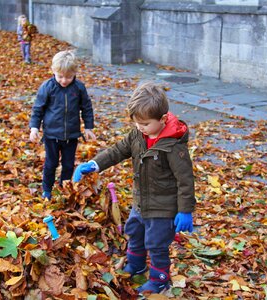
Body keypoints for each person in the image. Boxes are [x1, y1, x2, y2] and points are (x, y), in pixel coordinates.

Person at [73, 82, 195, 294]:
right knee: (135, 233)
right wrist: (95, 164)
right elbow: (117, 151)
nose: (140, 127)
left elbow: (185, 180)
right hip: (141, 202)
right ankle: (136, 265)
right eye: (137, 123)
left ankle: (159, 279)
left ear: (163, 119)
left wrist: (185, 210)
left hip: (163, 208)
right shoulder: (138, 135)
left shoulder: (173, 148)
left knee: (156, 243)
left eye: (145, 124)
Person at [29, 50, 96, 200]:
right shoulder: (48, 87)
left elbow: (86, 107)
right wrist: (34, 127)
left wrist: (88, 127)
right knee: (51, 164)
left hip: (71, 135)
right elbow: (38, 108)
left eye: (68, 77)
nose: (64, 80)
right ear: (53, 71)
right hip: (52, 135)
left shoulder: (78, 88)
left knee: (68, 164)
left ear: (75, 73)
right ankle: (47, 189)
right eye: (60, 76)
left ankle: (64, 187)